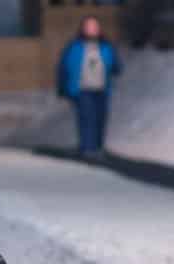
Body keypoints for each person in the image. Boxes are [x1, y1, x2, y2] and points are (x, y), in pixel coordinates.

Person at [57, 14, 123, 159]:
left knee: (100, 118)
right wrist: (62, 88)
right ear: (83, 29)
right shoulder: (74, 46)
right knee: (87, 118)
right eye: (89, 27)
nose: (92, 29)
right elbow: (63, 67)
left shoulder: (106, 46)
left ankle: (98, 147)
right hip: (82, 89)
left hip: (101, 89)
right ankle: (87, 148)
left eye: (95, 27)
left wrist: (116, 66)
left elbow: (115, 64)